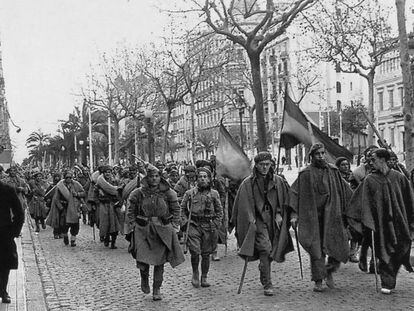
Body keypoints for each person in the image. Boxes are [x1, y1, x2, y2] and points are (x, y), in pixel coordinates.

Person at [347, 148, 414, 294]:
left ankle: (391, 277)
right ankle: (387, 281)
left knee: (399, 250)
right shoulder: (370, 180)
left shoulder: (399, 178)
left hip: (399, 223)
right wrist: (367, 219)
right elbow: (361, 201)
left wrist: (411, 221)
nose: (370, 163)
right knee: (383, 251)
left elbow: (409, 200)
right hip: (379, 225)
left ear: (382, 160)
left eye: (374, 160)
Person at [290, 143, 352, 292]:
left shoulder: (333, 171)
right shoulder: (305, 174)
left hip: (333, 216)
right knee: (316, 250)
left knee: (338, 245)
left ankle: (329, 270)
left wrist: (350, 210)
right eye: (318, 154)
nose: (321, 156)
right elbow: (294, 194)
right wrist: (294, 215)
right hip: (313, 218)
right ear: (312, 156)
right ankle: (318, 279)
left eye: (323, 153)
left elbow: (345, 191)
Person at [231, 151, 294, 296]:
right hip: (257, 220)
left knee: (272, 249)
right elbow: (242, 204)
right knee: (265, 248)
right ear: (256, 165)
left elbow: (287, 198)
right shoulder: (248, 183)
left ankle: (263, 267)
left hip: (273, 219)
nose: (265, 167)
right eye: (261, 165)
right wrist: (250, 219)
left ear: (271, 164)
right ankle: (267, 283)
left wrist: (280, 212)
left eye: (267, 164)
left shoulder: (279, 181)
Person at [127, 164, 184, 301]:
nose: (154, 179)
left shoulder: (168, 193)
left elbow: (176, 209)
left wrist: (175, 225)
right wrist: (133, 225)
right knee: (142, 258)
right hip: (143, 230)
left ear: (160, 178)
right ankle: (144, 278)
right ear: (147, 177)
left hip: (162, 230)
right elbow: (130, 210)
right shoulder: (138, 193)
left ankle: (157, 288)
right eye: (151, 176)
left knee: (160, 261)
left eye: (157, 176)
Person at [181, 167, 223, 288]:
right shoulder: (189, 194)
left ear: (209, 179)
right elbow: (182, 210)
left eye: (205, 177)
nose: (203, 179)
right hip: (194, 225)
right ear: (196, 179)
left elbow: (219, 211)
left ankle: (204, 276)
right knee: (195, 252)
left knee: (206, 254)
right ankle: (195, 273)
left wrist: (216, 223)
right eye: (200, 177)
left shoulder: (214, 194)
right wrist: (184, 223)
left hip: (209, 226)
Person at [0, 181, 24, 304]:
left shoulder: (7, 190)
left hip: (3, 233)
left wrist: (14, 231)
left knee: (4, 264)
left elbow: (19, 213)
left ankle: (3, 291)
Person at [49, 170, 85, 246]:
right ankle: (65, 236)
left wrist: (77, 194)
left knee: (75, 225)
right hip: (65, 208)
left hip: (75, 208)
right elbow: (56, 199)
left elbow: (83, 193)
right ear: (64, 177)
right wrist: (61, 207)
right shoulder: (60, 186)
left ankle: (73, 239)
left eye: (70, 177)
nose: (69, 179)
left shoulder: (76, 184)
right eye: (67, 177)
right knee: (64, 225)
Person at [96, 166, 123, 249]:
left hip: (114, 205)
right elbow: (95, 194)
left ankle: (113, 242)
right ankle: (106, 238)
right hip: (104, 205)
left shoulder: (115, 181)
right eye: (106, 172)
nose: (108, 174)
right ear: (103, 173)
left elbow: (119, 191)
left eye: (109, 172)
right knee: (106, 223)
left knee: (115, 224)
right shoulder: (100, 183)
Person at [45, 172, 63, 239]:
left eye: (58, 177)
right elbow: (47, 195)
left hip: (62, 204)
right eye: (56, 177)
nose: (57, 178)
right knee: (56, 219)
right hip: (54, 205)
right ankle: (55, 233)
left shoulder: (62, 185)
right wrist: (49, 199)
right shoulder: (52, 186)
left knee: (62, 219)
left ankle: (61, 232)